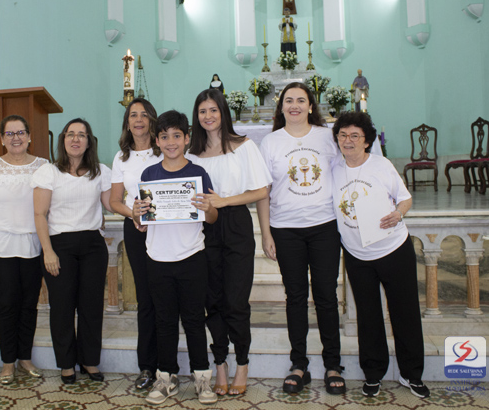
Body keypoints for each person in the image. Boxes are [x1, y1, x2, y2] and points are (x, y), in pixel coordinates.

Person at [331, 112, 429, 399]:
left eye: (355, 136)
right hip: (357, 255)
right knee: (368, 315)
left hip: (393, 249)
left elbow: (405, 198)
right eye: (343, 135)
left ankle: (412, 374)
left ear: (367, 141)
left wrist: (398, 213)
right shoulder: (333, 168)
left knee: (405, 312)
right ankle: (373, 374)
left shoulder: (381, 165)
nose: (348, 141)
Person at [256, 82, 346, 395]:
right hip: (285, 229)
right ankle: (299, 364)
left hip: (324, 227)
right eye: (289, 100)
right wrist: (266, 232)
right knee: (295, 297)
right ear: (281, 107)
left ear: (310, 106)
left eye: (301, 100)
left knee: (326, 296)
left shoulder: (327, 136)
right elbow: (263, 191)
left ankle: (333, 364)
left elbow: (345, 173)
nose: (294, 105)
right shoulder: (270, 142)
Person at [187, 88, 271, 396]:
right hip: (202, 230)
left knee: (236, 301)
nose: (208, 116)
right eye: (202, 111)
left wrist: (223, 201)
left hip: (235, 224)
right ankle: (220, 363)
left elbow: (261, 190)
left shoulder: (244, 146)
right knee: (212, 301)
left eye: (213, 110)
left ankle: (242, 364)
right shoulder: (191, 153)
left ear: (223, 112)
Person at [132, 110, 218, 405]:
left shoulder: (198, 173)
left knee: (194, 320)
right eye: (165, 136)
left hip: (192, 256)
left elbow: (212, 217)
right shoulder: (149, 174)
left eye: (177, 136)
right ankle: (166, 377)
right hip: (157, 258)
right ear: (157, 141)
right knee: (164, 321)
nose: (171, 142)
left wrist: (208, 207)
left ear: (187, 139)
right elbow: (141, 219)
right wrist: (137, 215)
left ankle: (202, 379)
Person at [33, 118, 112, 385]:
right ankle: (67, 364)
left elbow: (111, 204)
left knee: (91, 306)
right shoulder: (49, 172)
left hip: (92, 246)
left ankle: (89, 360)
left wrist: (139, 207)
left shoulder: (100, 171)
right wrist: (48, 251)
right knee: (62, 307)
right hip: (59, 245)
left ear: (89, 142)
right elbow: (40, 214)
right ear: (63, 139)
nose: (75, 139)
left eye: (81, 135)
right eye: (70, 134)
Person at [0, 115, 47, 385]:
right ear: (2, 139)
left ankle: (25, 358)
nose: (16, 138)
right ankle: (7, 363)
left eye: (21, 132)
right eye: (10, 133)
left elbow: (50, 207)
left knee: (29, 305)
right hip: (0, 248)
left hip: (32, 246)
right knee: (6, 306)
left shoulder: (43, 166)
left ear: (29, 136)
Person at [109, 98, 162, 390]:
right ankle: (147, 366)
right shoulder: (122, 157)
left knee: (168, 296)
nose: (138, 120)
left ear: (152, 119)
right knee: (146, 298)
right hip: (137, 229)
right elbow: (115, 201)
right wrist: (133, 214)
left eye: (143, 114)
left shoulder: (164, 148)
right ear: (127, 123)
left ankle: (168, 363)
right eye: (133, 115)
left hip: (167, 231)